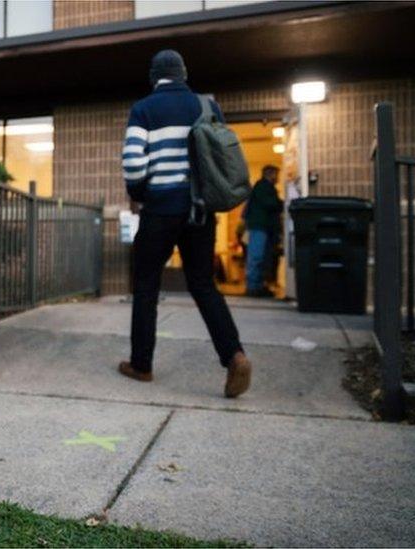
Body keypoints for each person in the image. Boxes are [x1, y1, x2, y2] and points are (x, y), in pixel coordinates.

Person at [117, 49, 252, 398]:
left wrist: (142, 192)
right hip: (199, 212)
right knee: (204, 285)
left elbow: (133, 164)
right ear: (183, 74)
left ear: (154, 76)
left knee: (146, 284)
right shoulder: (206, 106)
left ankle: (141, 365)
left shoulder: (144, 109)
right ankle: (234, 355)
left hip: (160, 208)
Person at [243, 165, 283, 297]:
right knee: (257, 257)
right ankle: (253, 287)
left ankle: (257, 286)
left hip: (261, 227)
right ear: (269, 174)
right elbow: (271, 203)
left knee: (259, 257)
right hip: (259, 227)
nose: (277, 177)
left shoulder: (262, 187)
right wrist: (281, 203)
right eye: (276, 174)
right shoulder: (263, 187)